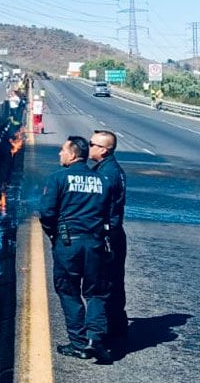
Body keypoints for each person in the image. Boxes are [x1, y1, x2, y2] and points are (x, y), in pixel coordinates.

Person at [39, 136, 116, 363]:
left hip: (68, 243)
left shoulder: (57, 179)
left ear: (72, 155)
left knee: (69, 291)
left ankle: (79, 343)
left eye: (62, 150)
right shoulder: (103, 180)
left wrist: (55, 235)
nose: (59, 154)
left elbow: (47, 213)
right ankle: (95, 337)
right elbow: (111, 215)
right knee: (96, 292)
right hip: (95, 243)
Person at [89, 129, 127, 343]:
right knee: (115, 280)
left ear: (104, 150)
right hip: (115, 233)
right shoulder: (112, 169)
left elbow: (99, 205)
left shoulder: (107, 173)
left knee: (104, 282)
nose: (89, 147)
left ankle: (106, 331)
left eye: (92, 144)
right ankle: (118, 326)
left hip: (108, 235)